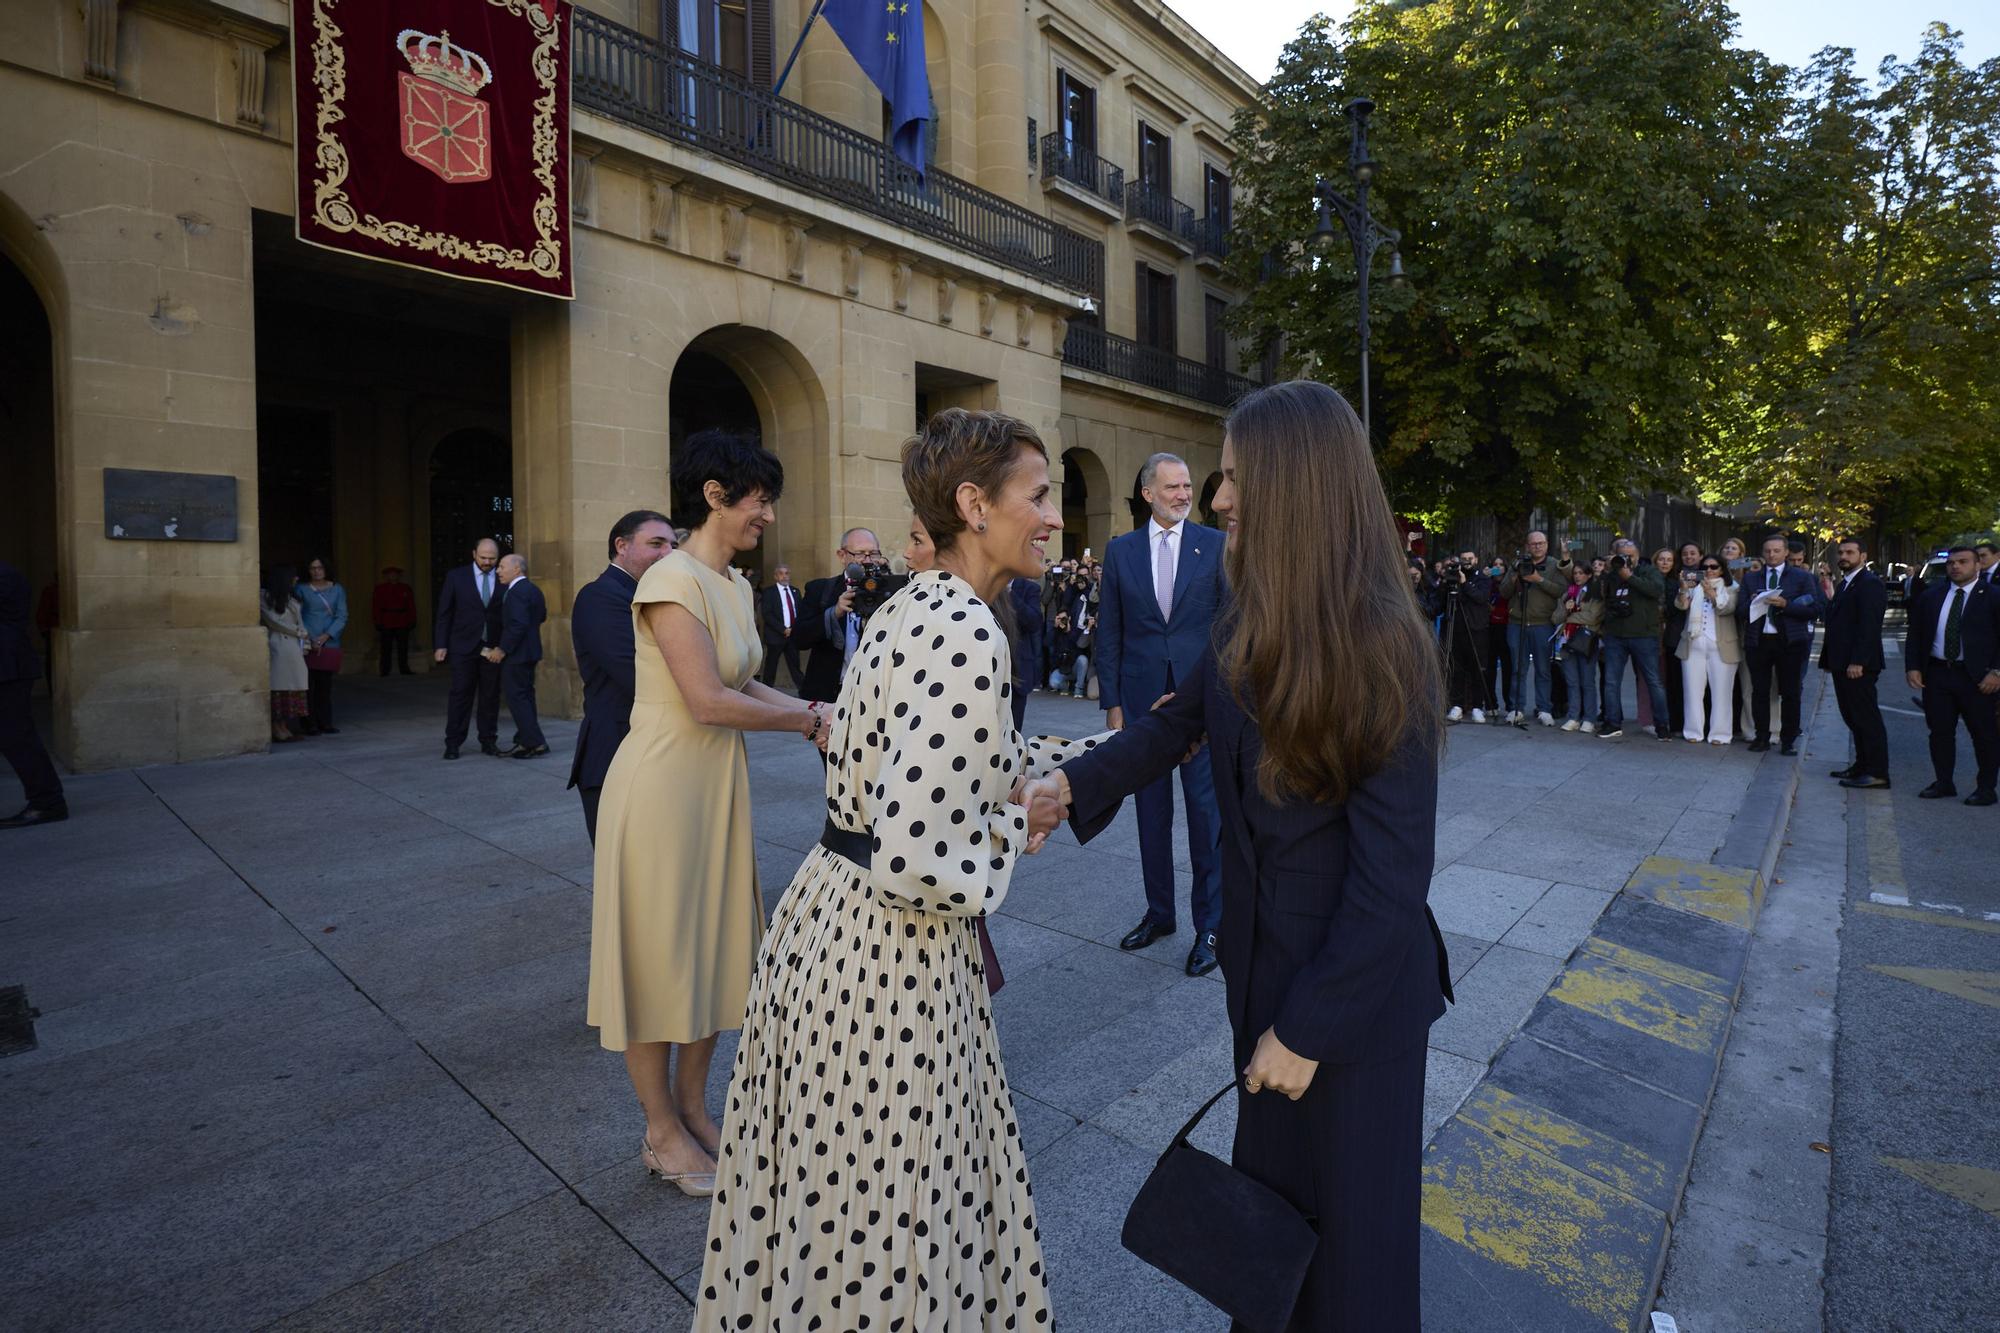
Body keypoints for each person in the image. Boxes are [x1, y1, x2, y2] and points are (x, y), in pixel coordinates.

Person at [1026, 380, 1452, 1332]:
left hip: (1351, 1007)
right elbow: (1179, 717)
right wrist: (1076, 784)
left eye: (1234, 475)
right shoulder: (1248, 602)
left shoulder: (1384, 641)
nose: (1219, 498)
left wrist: (1307, 1030)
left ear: (1295, 486)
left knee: (1353, 1264)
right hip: (1266, 978)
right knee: (1272, 1245)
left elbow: (1392, 880)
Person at [698, 408, 1096, 1329]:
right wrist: (1018, 819)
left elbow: (947, 761)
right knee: (898, 1226)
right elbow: (919, 853)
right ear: (973, 503)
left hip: (828, 934)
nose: (1054, 518)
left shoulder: (916, 602)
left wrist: (1097, 751)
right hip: (893, 964)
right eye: (1039, 497)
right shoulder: (968, 630)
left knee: (829, 1221)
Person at [589, 430, 825, 1198]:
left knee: (718, 953)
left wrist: (827, 710)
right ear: (716, 494)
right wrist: (810, 724)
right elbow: (706, 698)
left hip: (714, 789)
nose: (767, 513)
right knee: (660, 960)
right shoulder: (670, 579)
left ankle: (695, 1108)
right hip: (660, 788)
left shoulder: (732, 584)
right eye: (758, 498)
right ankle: (661, 1128)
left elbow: (748, 683)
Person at [1095, 450, 1227, 977]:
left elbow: (1229, 626)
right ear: (1148, 492)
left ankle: (1210, 927)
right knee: (1151, 814)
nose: (1182, 494)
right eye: (1171, 487)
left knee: (1204, 816)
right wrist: (1113, 704)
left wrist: (1221, 699)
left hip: (1200, 703)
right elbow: (1111, 631)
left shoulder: (1215, 545)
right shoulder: (1121, 550)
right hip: (1142, 702)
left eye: (1187, 486)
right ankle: (1160, 914)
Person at [570, 510, 675, 842]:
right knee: (625, 880)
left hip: (652, 754)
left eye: (672, 545)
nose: (667, 554)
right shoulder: (600, 596)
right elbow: (639, 675)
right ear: (621, 545)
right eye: (656, 543)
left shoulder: (650, 594)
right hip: (616, 754)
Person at [1903, 546, 2000, 805]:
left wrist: (1996, 672)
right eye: (1952, 563)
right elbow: (1916, 633)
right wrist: (1913, 666)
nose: (1956, 567)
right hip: (1938, 674)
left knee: (1984, 734)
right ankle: (1944, 782)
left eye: (1963, 562)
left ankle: (1986, 788)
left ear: (1977, 564)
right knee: (1940, 732)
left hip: (1977, 678)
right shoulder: (1932, 596)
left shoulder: (1992, 596)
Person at [1738, 533, 1821, 754]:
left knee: (1791, 692)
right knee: (1760, 691)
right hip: (1759, 641)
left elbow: (1815, 610)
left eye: (1776, 551)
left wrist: (1786, 604)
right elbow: (1739, 612)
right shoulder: (1751, 578)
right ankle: (1762, 737)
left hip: (1790, 642)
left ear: (1786, 552)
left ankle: (1788, 740)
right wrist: (1753, 601)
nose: (1772, 555)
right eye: (1767, 551)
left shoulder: (1802, 578)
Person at [0, 559, 67, 829]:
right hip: (9, 664)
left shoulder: (6, 576)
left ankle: (47, 802)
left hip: (8, 667)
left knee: (17, 737)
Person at [1821, 537, 1889, 787]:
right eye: (1841, 552)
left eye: (1850, 552)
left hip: (1859, 665)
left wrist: (1858, 661)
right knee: (1852, 718)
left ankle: (1877, 772)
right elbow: (1838, 625)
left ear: (1863, 555)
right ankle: (1861, 766)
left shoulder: (1869, 583)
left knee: (1866, 719)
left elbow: (1869, 627)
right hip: (1842, 662)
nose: (1844, 556)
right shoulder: (1847, 583)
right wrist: (1830, 659)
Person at [792, 527, 883, 708]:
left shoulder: (890, 592)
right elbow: (799, 640)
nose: (867, 560)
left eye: (873, 554)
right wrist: (834, 613)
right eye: (859, 554)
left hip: (873, 697)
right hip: (829, 695)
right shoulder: (820, 590)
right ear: (842, 555)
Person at [433, 538, 505, 760]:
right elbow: (445, 612)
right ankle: (453, 742)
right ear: (474, 554)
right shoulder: (457, 577)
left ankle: (488, 740)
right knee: (460, 694)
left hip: (491, 647)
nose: (487, 562)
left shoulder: (503, 578)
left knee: (490, 696)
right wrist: (440, 644)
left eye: (492, 558)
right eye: (483, 557)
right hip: (463, 646)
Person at [1598, 538, 1671, 740]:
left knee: (1653, 681)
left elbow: (1655, 590)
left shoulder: (1649, 571)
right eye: (1622, 555)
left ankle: (1662, 725)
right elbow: (1603, 597)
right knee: (1611, 681)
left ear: (1638, 555)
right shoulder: (1612, 574)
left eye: (1630, 556)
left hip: (1643, 635)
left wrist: (1629, 576)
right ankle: (1612, 722)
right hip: (1616, 635)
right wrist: (1607, 572)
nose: (1626, 559)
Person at [1498, 531, 1564, 725]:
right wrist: (1514, 578)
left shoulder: (1554, 564)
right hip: (1517, 624)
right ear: (1527, 546)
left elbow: (1560, 590)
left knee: (1543, 669)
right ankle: (1516, 708)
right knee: (1518, 669)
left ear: (1546, 544)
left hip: (1542, 624)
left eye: (1540, 543)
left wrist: (1538, 579)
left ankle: (1544, 708)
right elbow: (1503, 592)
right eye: (1533, 544)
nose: (1537, 547)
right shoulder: (1516, 564)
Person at [1674, 556, 1740, 745]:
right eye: (1705, 567)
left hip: (1722, 645)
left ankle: (1720, 734)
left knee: (1722, 693)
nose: (1709, 570)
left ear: (1722, 569)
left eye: (1714, 566)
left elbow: (1727, 608)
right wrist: (1684, 587)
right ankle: (1693, 731)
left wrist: (1711, 592)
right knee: (1692, 692)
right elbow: (1681, 605)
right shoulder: (1693, 588)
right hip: (1693, 644)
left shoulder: (1732, 588)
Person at [489, 553, 548, 758]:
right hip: (530, 653)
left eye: (502, 566)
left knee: (517, 699)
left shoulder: (516, 592)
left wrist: (502, 649)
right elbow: (541, 616)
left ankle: (534, 743)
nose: (498, 571)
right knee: (526, 697)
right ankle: (527, 739)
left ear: (517, 569)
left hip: (517, 655)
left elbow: (518, 624)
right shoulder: (533, 589)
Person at [295, 557, 347, 736]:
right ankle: (309, 723)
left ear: (326, 569)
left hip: (329, 641)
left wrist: (326, 636)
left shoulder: (337, 589)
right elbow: (296, 614)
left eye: (320, 568)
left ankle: (326, 722)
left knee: (325, 686)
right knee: (308, 685)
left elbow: (342, 615)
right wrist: (309, 636)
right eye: (312, 568)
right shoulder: (301, 589)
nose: (316, 571)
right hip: (307, 640)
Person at [1440, 549, 1493, 723]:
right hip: (1456, 629)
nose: (1466, 562)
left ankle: (1478, 706)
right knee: (1457, 668)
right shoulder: (1453, 577)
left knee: (1478, 668)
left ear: (1476, 559)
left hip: (1477, 630)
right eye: (1463, 559)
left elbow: (1481, 597)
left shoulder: (1483, 579)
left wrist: (1465, 584)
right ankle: (1457, 705)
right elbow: (1442, 600)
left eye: (1470, 559)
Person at [260, 564, 311, 745]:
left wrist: (306, 642)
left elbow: (301, 622)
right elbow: (273, 621)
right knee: (279, 688)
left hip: (293, 649)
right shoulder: (265, 597)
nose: (296, 579)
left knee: (291, 689)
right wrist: (298, 632)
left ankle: (285, 727)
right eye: (293, 576)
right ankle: (277, 727)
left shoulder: (292, 598)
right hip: (278, 647)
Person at [1552, 559, 1602, 733]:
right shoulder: (1568, 593)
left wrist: (1572, 617)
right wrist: (1566, 610)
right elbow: (1556, 618)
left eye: (1581, 573)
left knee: (1587, 681)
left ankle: (1589, 718)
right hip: (1567, 641)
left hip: (1586, 641)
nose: (1578, 576)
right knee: (1572, 681)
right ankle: (1573, 716)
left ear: (1589, 575)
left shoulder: (1595, 592)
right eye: (1575, 573)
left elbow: (1593, 617)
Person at [1658, 546, 1697, 734]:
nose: (1688, 557)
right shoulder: (1674, 581)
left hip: (1702, 636)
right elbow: (1673, 609)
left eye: (1693, 553)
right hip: (1675, 636)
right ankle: (1677, 723)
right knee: (1675, 682)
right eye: (1685, 554)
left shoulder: (1710, 577)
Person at [755, 563, 805, 689]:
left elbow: (800, 612)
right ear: (776, 576)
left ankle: (804, 692)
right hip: (775, 636)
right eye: (781, 574)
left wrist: (794, 629)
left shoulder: (795, 591)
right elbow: (767, 614)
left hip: (792, 636)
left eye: (787, 573)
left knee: (795, 666)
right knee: (771, 666)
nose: (785, 576)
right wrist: (783, 629)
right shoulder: (769, 592)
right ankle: (766, 692)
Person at [371, 566, 416, 676]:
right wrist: (377, 621)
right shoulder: (380, 589)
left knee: (403, 647)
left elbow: (411, 605)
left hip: (402, 620)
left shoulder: (405, 588)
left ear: (399, 576)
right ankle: (385, 670)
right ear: (386, 576)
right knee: (385, 648)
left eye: (395, 574)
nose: (393, 576)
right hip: (386, 620)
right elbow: (376, 606)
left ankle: (404, 669)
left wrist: (412, 620)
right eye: (390, 574)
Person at [1486, 555, 1514, 722]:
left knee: (1508, 668)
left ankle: (1510, 704)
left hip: (1506, 627)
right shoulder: (1487, 583)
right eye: (1494, 565)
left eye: (1500, 565)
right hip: (1490, 628)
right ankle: (1490, 704)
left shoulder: (1510, 584)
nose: (1497, 567)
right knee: (1489, 667)